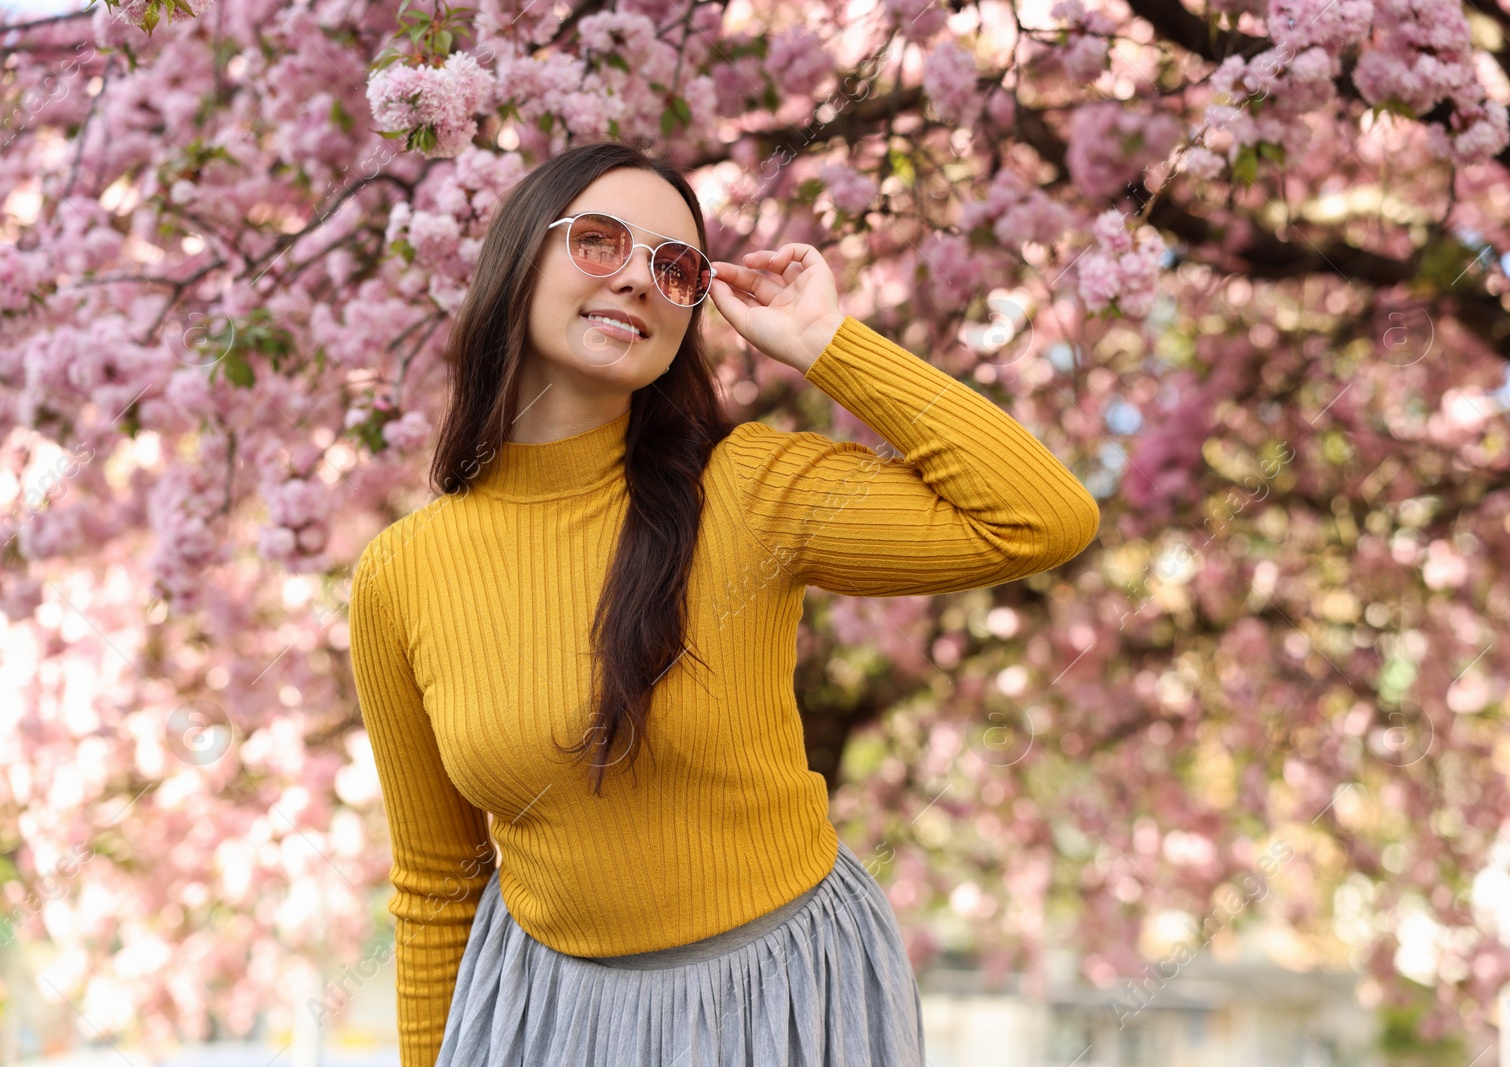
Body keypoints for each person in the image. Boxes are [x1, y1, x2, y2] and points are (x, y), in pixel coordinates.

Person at [347, 140, 1101, 1067]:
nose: (636, 280)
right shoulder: (401, 574)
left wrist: (829, 345)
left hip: (780, 1001)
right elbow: (437, 882)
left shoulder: (747, 487)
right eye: (597, 242)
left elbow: (1041, 518)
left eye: (674, 268)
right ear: (517, 262)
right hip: (543, 1013)